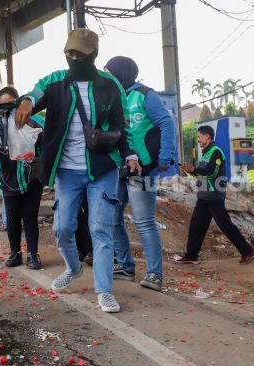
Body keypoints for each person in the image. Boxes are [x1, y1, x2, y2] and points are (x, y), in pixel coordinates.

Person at [15, 29, 139, 313]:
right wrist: (26, 101)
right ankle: (73, 268)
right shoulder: (56, 81)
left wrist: (129, 154)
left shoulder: (110, 85)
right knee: (62, 228)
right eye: (69, 53)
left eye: (79, 55)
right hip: (67, 173)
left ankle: (105, 290)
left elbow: (124, 124)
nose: (73, 58)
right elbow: (35, 93)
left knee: (100, 228)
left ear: (93, 55)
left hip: (102, 169)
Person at [104, 56, 177, 292]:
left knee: (144, 221)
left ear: (120, 73)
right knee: (113, 218)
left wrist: (165, 156)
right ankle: (126, 265)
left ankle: (155, 274)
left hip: (143, 168)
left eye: (109, 71)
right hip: (117, 168)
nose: (105, 76)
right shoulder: (110, 98)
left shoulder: (144, 94)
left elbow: (166, 123)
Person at [0, 86, 44, 269]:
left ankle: (33, 254)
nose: (8, 108)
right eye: (4, 105)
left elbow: (47, 142)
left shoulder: (35, 120)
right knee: (12, 217)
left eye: (11, 103)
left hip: (32, 177)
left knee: (30, 216)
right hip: (8, 177)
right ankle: (15, 253)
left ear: (19, 101)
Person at [177, 126, 254, 265]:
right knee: (196, 225)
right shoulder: (206, 153)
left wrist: (195, 169)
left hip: (213, 195)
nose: (198, 140)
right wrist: (191, 171)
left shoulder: (216, 151)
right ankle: (191, 255)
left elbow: (212, 173)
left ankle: (248, 251)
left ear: (207, 136)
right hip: (203, 196)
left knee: (225, 225)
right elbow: (203, 172)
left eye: (200, 137)